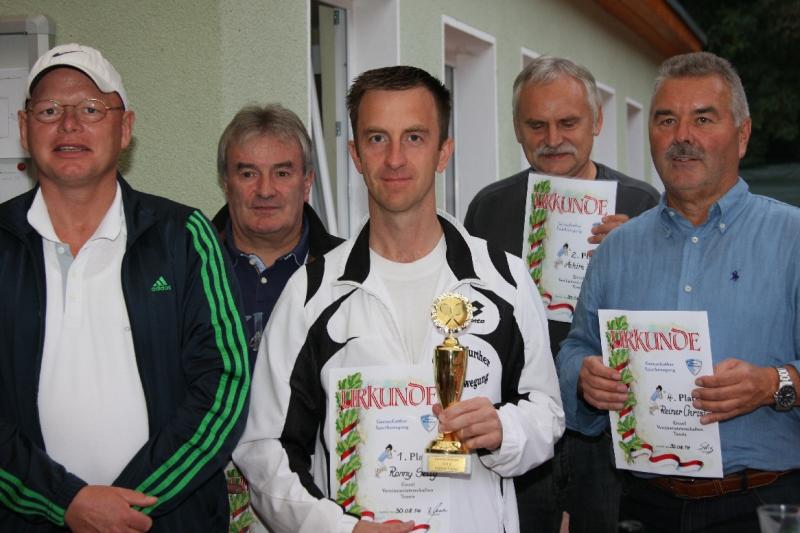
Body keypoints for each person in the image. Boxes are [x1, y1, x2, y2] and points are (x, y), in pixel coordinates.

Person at [233, 65, 565, 533]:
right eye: (377, 138)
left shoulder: (505, 279)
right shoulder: (311, 293)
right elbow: (266, 450)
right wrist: (341, 530)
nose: (394, 159)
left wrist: (504, 430)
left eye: (414, 137)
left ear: (443, 151)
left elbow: (547, 412)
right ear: (355, 154)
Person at [0, 43, 252, 532]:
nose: (69, 125)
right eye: (49, 110)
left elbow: (225, 383)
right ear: (25, 128)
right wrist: (66, 503)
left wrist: (128, 508)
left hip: (167, 520)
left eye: (91, 109)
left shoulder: (185, 237)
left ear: (125, 128)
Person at [557, 51, 800, 533]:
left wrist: (774, 384)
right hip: (645, 506)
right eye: (666, 120)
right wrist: (585, 378)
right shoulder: (616, 248)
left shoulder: (792, 238)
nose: (682, 136)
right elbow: (576, 348)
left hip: (764, 504)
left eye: (703, 119)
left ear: (742, 135)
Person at [464, 56, 659, 532]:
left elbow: (667, 316)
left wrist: (635, 252)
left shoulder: (642, 206)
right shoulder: (489, 208)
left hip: (606, 426)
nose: (552, 138)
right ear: (517, 128)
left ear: (596, 121)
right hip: (517, 420)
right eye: (537, 125)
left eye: (568, 122)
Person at [212, 104, 343, 532]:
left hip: (318, 499)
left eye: (282, 172)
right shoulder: (186, 269)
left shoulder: (350, 274)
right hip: (205, 500)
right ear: (225, 182)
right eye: (248, 173)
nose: (265, 190)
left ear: (307, 182)